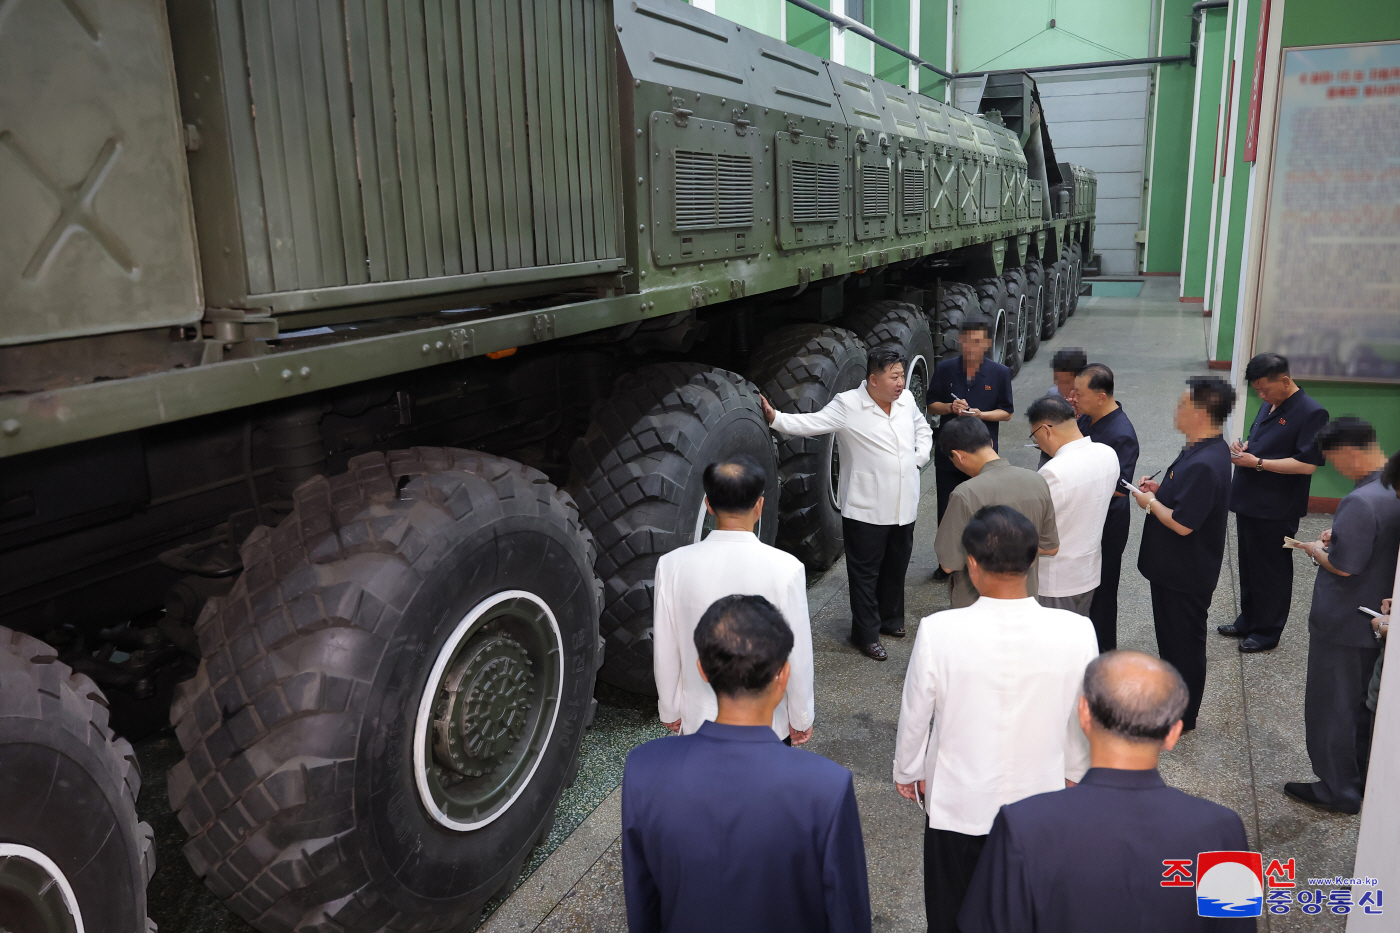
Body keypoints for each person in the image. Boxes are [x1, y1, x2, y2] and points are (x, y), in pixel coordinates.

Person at [894, 505, 1097, 933]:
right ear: (1033, 559)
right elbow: (1085, 716)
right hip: (1041, 803)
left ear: (972, 562)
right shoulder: (1077, 631)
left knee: (951, 913)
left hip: (957, 803)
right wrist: (1076, 771)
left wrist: (909, 770)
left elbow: (916, 712)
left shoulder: (939, 630)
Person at [623, 595, 871, 933]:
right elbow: (847, 913)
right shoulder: (826, 787)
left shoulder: (644, 769)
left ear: (703, 671)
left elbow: (642, 902)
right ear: (783, 675)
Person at [958, 651, 1253, 933]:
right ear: (1173, 733)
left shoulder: (1022, 825)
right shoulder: (1223, 830)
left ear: (1084, 714)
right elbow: (1237, 923)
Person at [763, 345, 933, 661]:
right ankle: (865, 634)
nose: (900, 383)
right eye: (894, 376)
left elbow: (924, 430)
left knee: (896, 565)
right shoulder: (849, 405)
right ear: (873, 379)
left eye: (901, 376)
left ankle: (890, 619)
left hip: (903, 504)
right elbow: (811, 423)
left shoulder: (906, 400)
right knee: (865, 574)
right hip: (866, 508)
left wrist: (918, 458)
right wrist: (776, 418)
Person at [652, 455, 813, 744]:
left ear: (708, 505)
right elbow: (797, 654)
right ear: (759, 505)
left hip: (698, 718)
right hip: (767, 720)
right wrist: (801, 715)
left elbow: (666, 646)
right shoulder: (787, 568)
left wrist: (669, 707)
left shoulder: (671, 565)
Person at [1284, 419, 1400, 814]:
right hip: (1376, 619)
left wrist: (1315, 548)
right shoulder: (1391, 489)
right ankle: (1361, 780)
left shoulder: (1362, 500)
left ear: (1349, 451)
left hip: (1344, 621)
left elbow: (1345, 565)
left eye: (1334, 460)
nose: (1335, 468)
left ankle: (1336, 789)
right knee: (1363, 710)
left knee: (1332, 709)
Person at [1131, 375, 1236, 732]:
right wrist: (1162, 492)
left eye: (1182, 404)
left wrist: (1149, 503)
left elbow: (1183, 524)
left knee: (1184, 646)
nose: (1176, 410)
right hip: (1174, 569)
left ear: (1202, 412)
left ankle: (1183, 716)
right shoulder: (1200, 448)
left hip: (1185, 572)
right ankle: (1172, 701)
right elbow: (1188, 500)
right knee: (1172, 642)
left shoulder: (1206, 461)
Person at [1219, 353, 1329, 652]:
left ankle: (1267, 631)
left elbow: (1307, 465)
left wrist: (1258, 463)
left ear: (1285, 380)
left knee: (1272, 570)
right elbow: (1263, 441)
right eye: (1257, 389)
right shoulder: (1271, 402)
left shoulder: (1311, 412)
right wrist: (1245, 448)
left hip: (1277, 505)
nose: (1261, 395)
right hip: (1250, 499)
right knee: (1250, 564)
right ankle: (1248, 619)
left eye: (1264, 388)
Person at [933, 417, 1058, 610]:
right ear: (990, 443)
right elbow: (1050, 547)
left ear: (958, 456)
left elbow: (949, 563)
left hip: (975, 604)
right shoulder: (1037, 481)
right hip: (1025, 597)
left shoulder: (965, 494)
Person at [1028, 395, 1120, 616]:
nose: (1037, 442)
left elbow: (1034, 528)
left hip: (1055, 580)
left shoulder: (1052, 471)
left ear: (1046, 429)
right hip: (1088, 573)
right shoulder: (1107, 454)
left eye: (1034, 435)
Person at [1072, 363, 1141, 649]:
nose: (1073, 398)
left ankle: (1103, 651)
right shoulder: (1088, 419)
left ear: (1101, 396)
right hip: (1086, 517)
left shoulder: (1121, 433)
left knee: (1102, 591)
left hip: (1107, 524)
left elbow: (1119, 489)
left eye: (1079, 393)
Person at [926, 318, 1014, 536]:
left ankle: (977, 561)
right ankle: (946, 566)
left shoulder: (999, 372)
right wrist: (950, 407)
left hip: (983, 454)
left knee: (981, 510)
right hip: (950, 453)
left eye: (977, 341)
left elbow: (1007, 412)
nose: (971, 346)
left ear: (987, 344)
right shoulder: (945, 369)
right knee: (947, 509)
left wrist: (981, 414)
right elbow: (931, 406)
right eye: (967, 341)